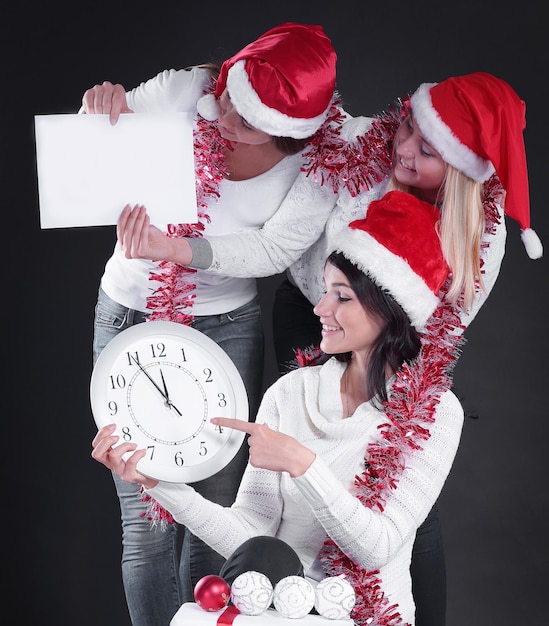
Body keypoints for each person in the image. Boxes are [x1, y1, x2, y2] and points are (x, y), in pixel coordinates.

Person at [116, 71, 542, 625]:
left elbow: (436, 333)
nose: (403, 148)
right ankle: (306, 592)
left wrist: (393, 414)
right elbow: (278, 244)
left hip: (396, 337)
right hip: (321, 309)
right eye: (407, 127)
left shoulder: (479, 232)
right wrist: (159, 482)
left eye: (428, 148)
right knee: (292, 481)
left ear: (462, 168)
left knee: (393, 489)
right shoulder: (358, 151)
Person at [92, 189, 467, 626]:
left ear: (391, 310)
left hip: (367, 616)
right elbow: (250, 534)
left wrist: (302, 465)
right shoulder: (290, 393)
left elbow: (377, 546)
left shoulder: (433, 412)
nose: (320, 308)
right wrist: (158, 482)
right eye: (325, 291)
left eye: (342, 297)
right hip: (280, 615)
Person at [82, 22, 338, 626]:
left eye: (246, 122)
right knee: (144, 520)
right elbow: (90, 147)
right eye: (225, 101)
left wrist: (178, 252)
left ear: (289, 133)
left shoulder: (318, 164)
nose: (224, 120)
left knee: (214, 511)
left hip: (225, 324)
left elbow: (274, 252)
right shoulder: (183, 91)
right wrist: (101, 105)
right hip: (129, 310)